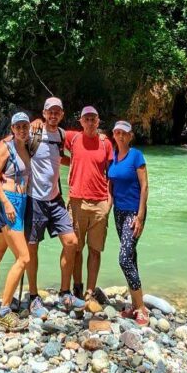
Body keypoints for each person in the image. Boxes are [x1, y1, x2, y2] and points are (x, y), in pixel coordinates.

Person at [25, 97, 86, 317]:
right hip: (34, 199)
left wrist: (85, 162)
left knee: (71, 242)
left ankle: (64, 293)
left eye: (57, 112)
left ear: (61, 115)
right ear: (43, 113)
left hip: (55, 198)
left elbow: (62, 156)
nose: (53, 115)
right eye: (50, 112)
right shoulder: (33, 132)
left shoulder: (61, 135)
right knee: (32, 248)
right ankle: (33, 297)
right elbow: (11, 145)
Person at [0, 112, 32, 330]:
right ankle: (4, 310)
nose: (22, 130)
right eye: (18, 126)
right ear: (12, 128)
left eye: (25, 126)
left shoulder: (26, 145)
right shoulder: (6, 146)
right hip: (9, 204)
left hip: (19, 203)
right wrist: (6, 202)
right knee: (23, 258)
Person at [64, 106, 112, 301]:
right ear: (81, 122)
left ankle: (90, 291)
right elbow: (48, 130)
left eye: (93, 119)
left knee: (95, 250)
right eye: (87, 119)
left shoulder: (106, 143)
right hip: (76, 201)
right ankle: (77, 286)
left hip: (100, 202)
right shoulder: (72, 138)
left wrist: (109, 201)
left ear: (98, 121)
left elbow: (112, 172)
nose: (90, 122)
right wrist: (35, 123)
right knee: (75, 247)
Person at [108, 119, 149, 325]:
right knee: (130, 256)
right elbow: (111, 188)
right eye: (117, 132)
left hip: (134, 212)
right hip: (118, 212)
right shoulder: (113, 157)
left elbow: (144, 186)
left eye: (124, 133)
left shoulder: (136, 156)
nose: (120, 136)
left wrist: (140, 215)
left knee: (124, 258)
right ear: (113, 135)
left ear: (130, 135)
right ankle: (134, 304)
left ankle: (141, 308)